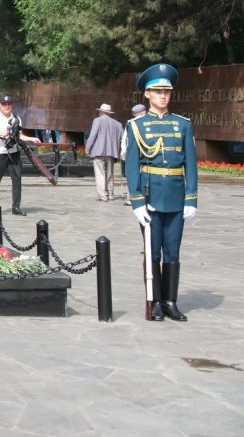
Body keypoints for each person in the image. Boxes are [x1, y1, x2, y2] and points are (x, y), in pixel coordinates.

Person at [125, 63, 197, 322]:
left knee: (173, 252)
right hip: (150, 198)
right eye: (157, 91)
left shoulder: (183, 125)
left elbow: (191, 164)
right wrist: (136, 202)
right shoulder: (136, 126)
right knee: (153, 252)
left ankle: (170, 301)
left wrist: (191, 198)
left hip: (176, 198)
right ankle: (155, 301)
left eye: (166, 92)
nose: (163, 96)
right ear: (147, 94)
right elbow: (132, 166)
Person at [0, 95, 41, 216]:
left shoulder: (16, 118)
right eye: (4, 104)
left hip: (14, 153)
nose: (7, 106)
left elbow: (19, 136)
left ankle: (16, 207)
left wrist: (31, 139)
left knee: (17, 180)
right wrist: (1, 133)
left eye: (9, 104)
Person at [85, 103, 124, 202]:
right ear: (109, 113)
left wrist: (87, 148)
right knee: (109, 174)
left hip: (98, 152)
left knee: (100, 174)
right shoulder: (118, 124)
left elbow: (93, 135)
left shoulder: (97, 121)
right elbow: (122, 139)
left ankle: (103, 196)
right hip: (112, 153)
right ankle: (110, 194)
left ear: (101, 112)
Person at [120, 103, 147, 204]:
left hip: (133, 154)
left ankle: (132, 198)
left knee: (132, 175)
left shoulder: (131, 123)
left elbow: (124, 140)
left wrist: (124, 151)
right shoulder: (133, 124)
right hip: (144, 154)